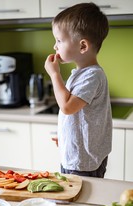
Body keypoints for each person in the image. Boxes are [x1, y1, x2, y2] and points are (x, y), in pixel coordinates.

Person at [44, 2, 112, 178]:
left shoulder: (92, 76)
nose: (55, 46)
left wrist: (54, 74)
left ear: (83, 46)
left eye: (59, 40)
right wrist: (65, 135)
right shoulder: (81, 74)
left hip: (83, 161)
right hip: (76, 153)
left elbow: (67, 106)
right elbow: (76, 115)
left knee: (79, 200)